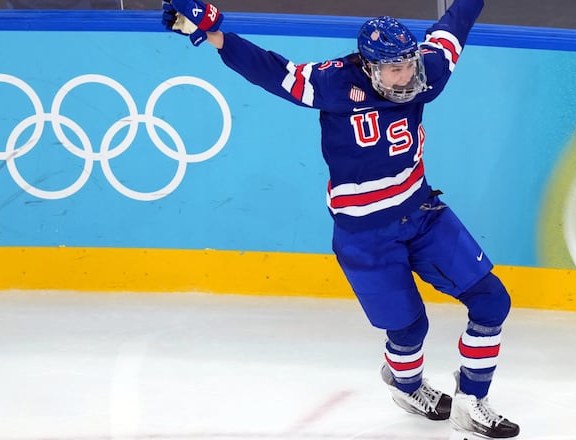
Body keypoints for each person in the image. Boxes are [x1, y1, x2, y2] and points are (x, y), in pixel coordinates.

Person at [161, 0, 520, 438]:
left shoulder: (425, 71)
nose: (406, 77)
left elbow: (454, 24)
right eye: (394, 70)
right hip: (365, 237)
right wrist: (214, 35)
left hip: (423, 214)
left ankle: (471, 400)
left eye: (408, 66)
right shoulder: (333, 81)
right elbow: (271, 71)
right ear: (369, 67)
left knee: (492, 300)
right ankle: (406, 386)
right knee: (409, 328)